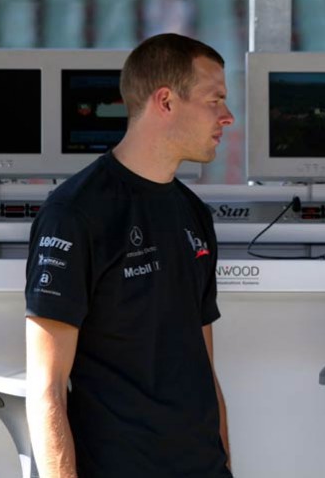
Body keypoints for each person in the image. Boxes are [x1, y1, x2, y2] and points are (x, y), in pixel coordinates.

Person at [24, 33, 235, 478]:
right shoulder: (74, 213)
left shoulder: (193, 212)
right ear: (166, 101)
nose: (227, 116)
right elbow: (46, 389)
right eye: (214, 100)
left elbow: (203, 367)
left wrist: (226, 463)